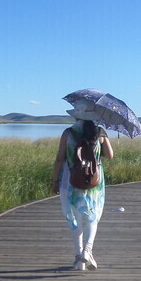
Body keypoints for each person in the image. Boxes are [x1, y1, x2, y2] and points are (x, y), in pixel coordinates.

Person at [51, 102, 114, 271]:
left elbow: (59, 159)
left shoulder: (68, 133)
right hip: (95, 180)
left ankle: (79, 257)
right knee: (93, 216)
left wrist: (55, 180)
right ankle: (88, 250)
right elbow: (110, 155)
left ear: (77, 115)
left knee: (75, 217)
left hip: (71, 179)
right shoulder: (100, 132)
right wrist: (104, 138)